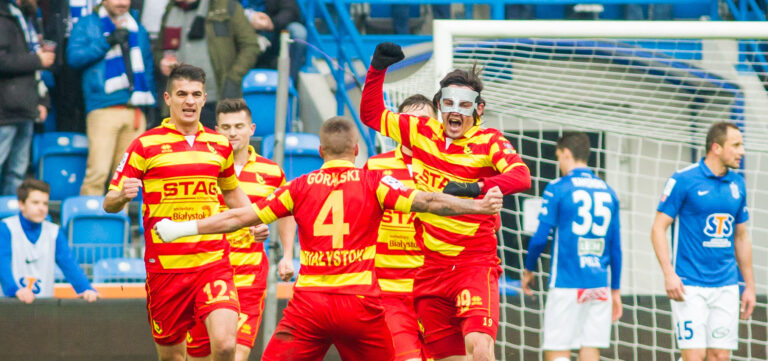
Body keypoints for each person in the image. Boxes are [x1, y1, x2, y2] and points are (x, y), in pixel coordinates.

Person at [154, 116, 505, 361]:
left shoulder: (298, 186)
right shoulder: (375, 181)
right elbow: (429, 201)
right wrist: (478, 206)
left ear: (320, 152)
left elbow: (238, 216)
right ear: (356, 150)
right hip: (361, 304)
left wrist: (179, 229)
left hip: (310, 305)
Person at [360, 42, 531, 361]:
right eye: (449, 102)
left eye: (465, 104)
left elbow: (521, 176)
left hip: (474, 264)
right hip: (431, 269)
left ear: (478, 109)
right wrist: (378, 69)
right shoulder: (420, 130)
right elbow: (371, 114)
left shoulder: (489, 141)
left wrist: (474, 187)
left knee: (479, 348)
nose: (455, 110)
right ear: (439, 105)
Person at [103, 64, 252, 361]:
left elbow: (232, 191)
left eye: (196, 94)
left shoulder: (219, 144)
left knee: (224, 345)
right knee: (172, 357)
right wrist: (121, 196)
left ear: (204, 98)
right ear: (168, 98)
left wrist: (254, 220)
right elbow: (109, 202)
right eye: (182, 94)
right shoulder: (144, 145)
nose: (190, 101)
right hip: (166, 269)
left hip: (212, 262)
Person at [185, 98, 297, 361]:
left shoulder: (271, 172)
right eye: (226, 127)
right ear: (216, 130)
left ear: (252, 129)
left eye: (238, 126)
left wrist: (288, 254)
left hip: (248, 278)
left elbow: (286, 211)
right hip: (205, 274)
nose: (232, 132)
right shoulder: (203, 168)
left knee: (234, 354)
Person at [651, 121, 756, 361]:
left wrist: (749, 285)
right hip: (690, 285)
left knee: (720, 356)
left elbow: (741, 236)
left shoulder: (737, 184)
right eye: (736, 145)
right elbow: (658, 228)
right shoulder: (683, 179)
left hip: (726, 285)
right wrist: (669, 274)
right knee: (694, 356)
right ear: (716, 148)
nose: (742, 151)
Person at [521, 132, 622, 361]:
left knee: (557, 351)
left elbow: (539, 237)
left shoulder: (558, 188)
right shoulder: (608, 191)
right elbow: (616, 247)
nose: (559, 164)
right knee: (590, 349)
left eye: (559, 157)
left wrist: (529, 269)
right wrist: (615, 289)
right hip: (598, 284)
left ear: (566, 154)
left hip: (567, 281)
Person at [363, 94, 436, 361]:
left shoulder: (450, 169)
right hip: (389, 290)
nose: (415, 127)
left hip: (436, 290)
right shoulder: (375, 167)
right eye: (408, 121)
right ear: (396, 124)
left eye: (424, 120)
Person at [67, 0, 156, 196]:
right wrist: (106, 43)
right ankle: (88, 221)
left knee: (127, 179)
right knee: (97, 173)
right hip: (103, 107)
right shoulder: (88, 23)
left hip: (135, 109)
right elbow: (73, 57)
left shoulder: (137, 27)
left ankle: (118, 225)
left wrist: (151, 105)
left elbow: (147, 69)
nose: (122, 3)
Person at [156, 0, 260, 129]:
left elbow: (250, 46)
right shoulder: (171, 8)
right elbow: (158, 49)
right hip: (179, 102)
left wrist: (232, 78)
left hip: (217, 98)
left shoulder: (226, 6)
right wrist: (161, 61)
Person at [0, 179, 99, 303]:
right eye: (35, 203)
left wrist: (86, 289)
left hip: (43, 307)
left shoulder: (54, 232)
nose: (41, 208)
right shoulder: (6, 228)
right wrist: (14, 290)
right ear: (21, 204)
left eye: (45, 203)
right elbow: (2, 264)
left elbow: (70, 265)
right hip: (9, 305)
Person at [0, 0, 54, 195]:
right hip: (5, 108)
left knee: (17, 172)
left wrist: (41, 101)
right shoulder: (4, 18)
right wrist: (37, 60)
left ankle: (9, 215)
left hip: (25, 106)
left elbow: (34, 75)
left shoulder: (25, 18)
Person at [242, 0, 307, 85]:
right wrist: (249, 18)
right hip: (241, 34)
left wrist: (270, 24)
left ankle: (288, 87)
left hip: (273, 34)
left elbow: (291, 10)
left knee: (298, 32)